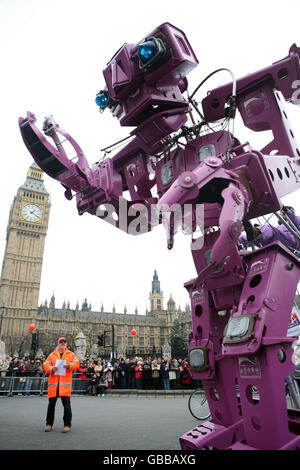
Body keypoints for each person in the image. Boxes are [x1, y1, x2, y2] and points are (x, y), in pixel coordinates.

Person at [43, 337, 79, 433]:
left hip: (64, 385)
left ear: (66, 344)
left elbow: (77, 364)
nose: (62, 344)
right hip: (54, 384)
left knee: (66, 405)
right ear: (58, 344)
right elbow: (45, 365)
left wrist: (69, 366)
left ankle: (67, 425)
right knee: (51, 405)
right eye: (60, 342)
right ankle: (49, 424)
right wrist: (51, 368)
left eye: (64, 342)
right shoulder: (52, 355)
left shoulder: (71, 354)